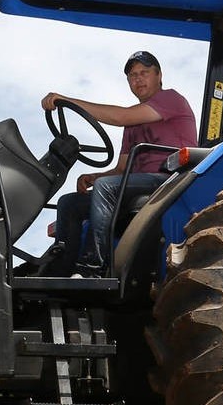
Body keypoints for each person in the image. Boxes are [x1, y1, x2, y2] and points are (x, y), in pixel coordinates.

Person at [39, 50, 198, 274]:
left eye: (144, 72)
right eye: (132, 75)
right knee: (70, 203)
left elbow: (121, 116)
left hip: (171, 180)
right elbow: (122, 168)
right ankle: (61, 271)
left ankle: (92, 267)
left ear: (159, 76)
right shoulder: (133, 123)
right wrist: (94, 177)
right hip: (138, 183)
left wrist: (66, 100)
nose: (138, 79)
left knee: (106, 188)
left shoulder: (171, 99)